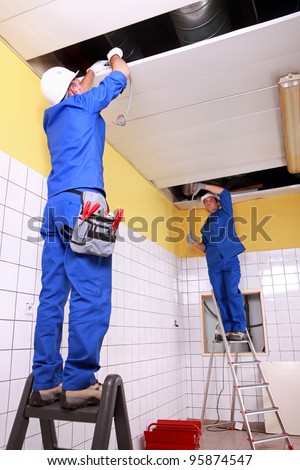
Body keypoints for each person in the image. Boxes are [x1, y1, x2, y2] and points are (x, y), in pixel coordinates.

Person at [29, 48, 130, 410]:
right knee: (92, 293)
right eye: (77, 81)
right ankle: (79, 382)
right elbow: (122, 77)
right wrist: (115, 57)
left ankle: (46, 382)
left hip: (56, 205)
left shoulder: (55, 117)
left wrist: (88, 71)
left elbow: (84, 84)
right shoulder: (81, 105)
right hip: (85, 204)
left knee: (52, 296)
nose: (82, 82)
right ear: (73, 91)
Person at [187, 183, 246, 342]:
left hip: (229, 259)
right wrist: (194, 242)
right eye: (205, 202)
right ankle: (227, 330)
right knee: (220, 296)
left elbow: (226, 193)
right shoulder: (205, 227)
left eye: (210, 200)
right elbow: (206, 248)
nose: (207, 203)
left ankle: (239, 329)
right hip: (213, 263)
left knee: (232, 292)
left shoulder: (225, 213)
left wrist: (203, 185)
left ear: (218, 203)